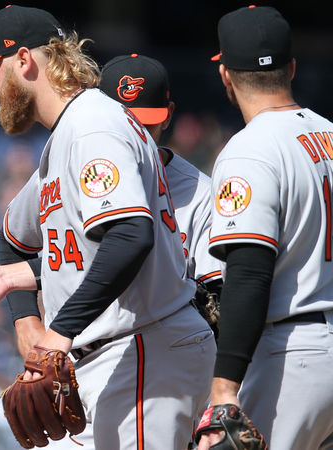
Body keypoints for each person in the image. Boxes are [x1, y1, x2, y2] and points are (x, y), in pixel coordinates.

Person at [0, 6, 215, 449]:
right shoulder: (66, 137)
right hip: (103, 359)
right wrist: (26, 322)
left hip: (143, 350)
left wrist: (56, 334)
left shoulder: (93, 126)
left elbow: (130, 235)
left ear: (24, 61)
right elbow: (12, 239)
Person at [5, 54, 225, 356]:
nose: (134, 134)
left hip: (158, 358)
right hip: (74, 355)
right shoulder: (66, 165)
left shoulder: (201, 195)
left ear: (168, 115)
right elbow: (13, 239)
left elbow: (220, 302)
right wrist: (26, 321)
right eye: (125, 121)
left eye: (146, 123)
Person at [195, 6, 333, 449]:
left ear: (226, 77)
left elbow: (250, 274)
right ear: (291, 68)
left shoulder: (249, 149)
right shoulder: (329, 133)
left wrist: (224, 389)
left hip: (293, 356)